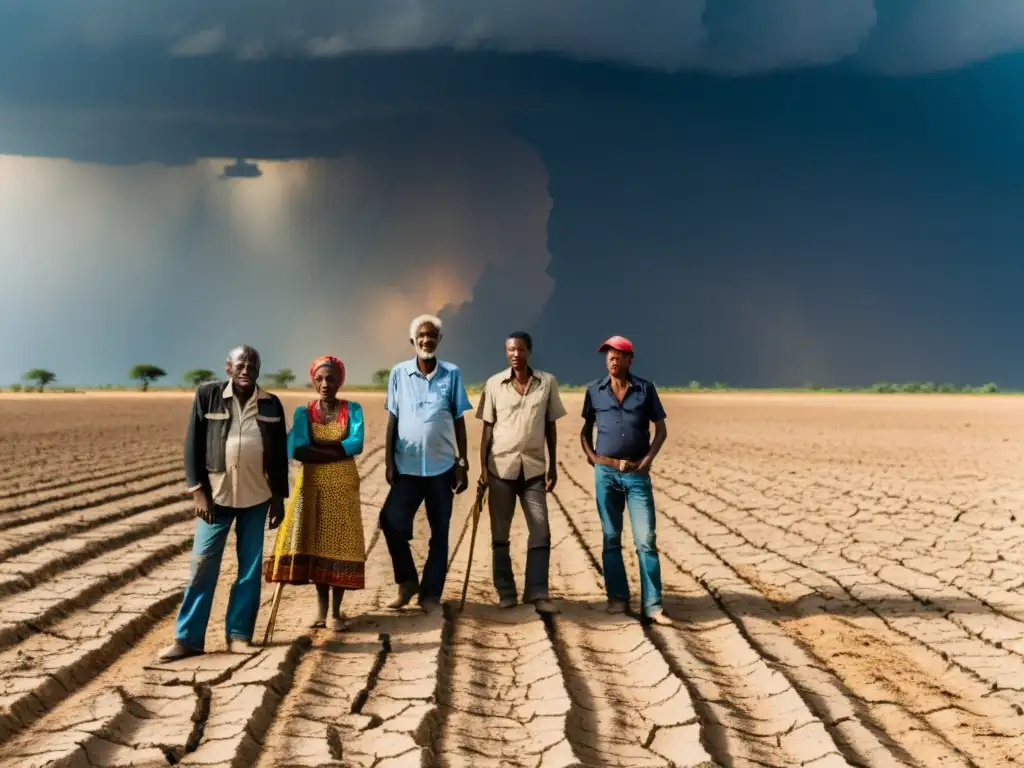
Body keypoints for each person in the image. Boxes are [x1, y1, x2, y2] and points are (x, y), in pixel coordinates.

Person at [159, 345, 289, 661]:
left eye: (253, 365)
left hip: (256, 497)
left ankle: (239, 634)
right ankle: (188, 638)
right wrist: (197, 492)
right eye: (241, 365)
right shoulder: (208, 395)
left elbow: (280, 453)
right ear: (228, 367)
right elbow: (192, 444)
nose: (247, 370)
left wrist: (278, 497)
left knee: (250, 568)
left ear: (259, 369)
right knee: (203, 564)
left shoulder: (271, 404)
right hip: (216, 498)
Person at [263, 355, 366, 632]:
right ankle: (321, 610)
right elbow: (297, 448)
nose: (325, 384)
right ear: (313, 381)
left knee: (340, 546)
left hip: (342, 487)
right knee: (317, 545)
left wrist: (317, 452)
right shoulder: (303, 412)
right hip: (311, 486)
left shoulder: (352, 409)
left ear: (339, 381)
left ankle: (336, 612)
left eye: (331, 378)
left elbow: (356, 443)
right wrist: (336, 451)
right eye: (319, 379)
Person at [380, 314, 473, 614]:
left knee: (440, 531)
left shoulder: (452, 374)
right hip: (406, 467)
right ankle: (407, 582)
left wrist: (462, 461)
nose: (426, 340)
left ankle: (430, 594)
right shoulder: (398, 373)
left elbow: (459, 420)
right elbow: (392, 419)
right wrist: (388, 461)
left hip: (441, 467)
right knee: (390, 520)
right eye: (421, 336)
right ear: (413, 341)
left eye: (431, 336)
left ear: (439, 340)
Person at [580, 336, 672, 626]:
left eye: (619, 356)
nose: (613, 360)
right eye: (609, 356)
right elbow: (585, 430)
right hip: (606, 475)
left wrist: (647, 462)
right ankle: (617, 600)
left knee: (645, 539)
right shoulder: (594, 391)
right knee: (610, 538)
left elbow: (661, 430)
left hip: (636, 475)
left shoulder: (645, 389)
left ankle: (652, 605)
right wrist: (594, 457)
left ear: (630, 359)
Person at [476, 331, 565, 614]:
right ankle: (505, 592)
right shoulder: (493, 384)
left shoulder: (546, 382)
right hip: (500, 468)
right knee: (500, 534)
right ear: (506, 353)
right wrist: (482, 470)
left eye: (521, 349)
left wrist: (553, 465)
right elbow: (487, 428)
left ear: (529, 351)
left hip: (534, 470)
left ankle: (537, 592)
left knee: (541, 530)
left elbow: (550, 425)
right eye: (511, 350)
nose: (516, 354)